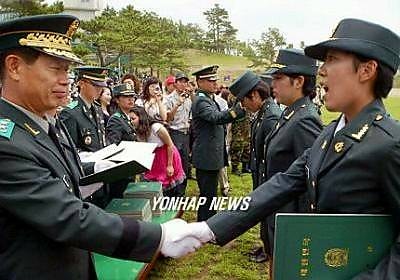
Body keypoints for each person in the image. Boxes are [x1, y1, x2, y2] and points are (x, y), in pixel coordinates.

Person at [186, 18, 400, 279]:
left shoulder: (390, 144)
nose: (321, 72)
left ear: (366, 70)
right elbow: (284, 182)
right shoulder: (330, 133)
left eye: (332, 60)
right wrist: (208, 229)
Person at [0, 14, 201, 279]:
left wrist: (100, 164)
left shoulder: (45, 122)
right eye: (56, 68)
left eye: (68, 70)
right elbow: (66, 215)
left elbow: (67, 177)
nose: (66, 80)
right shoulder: (6, 142)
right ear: (14, 67)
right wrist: (158, 237)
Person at [262, 48, 323, 258]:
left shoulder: (305, 118)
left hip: (290, 218)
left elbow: (311, 180)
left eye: (278, 78)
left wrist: (300, 229)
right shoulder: (291, 112)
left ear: (298, 82)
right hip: (277, 211)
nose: (272, 85)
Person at [229, 70, 281, 262]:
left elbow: (271, 154)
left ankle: (269, 250)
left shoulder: (271, 116)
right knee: (263, 213)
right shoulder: (263, 113)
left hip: (267, 176)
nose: (243, 105)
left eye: (244, 99)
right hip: (259, 173)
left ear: (256, 95)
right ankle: (265, 246)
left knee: (269, 214)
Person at [191, 65, 245, 221]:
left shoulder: (208, 99)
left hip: (211, 155)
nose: (215, 84)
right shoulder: (201, 101)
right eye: (210, 81)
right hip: (206, 155)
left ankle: (209, 222)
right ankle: (204, 223)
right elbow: (216, 117)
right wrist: (236, 111)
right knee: (207, 195)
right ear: (200, 82)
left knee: (211, 193)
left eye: (215, 80)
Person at [130, 106, 185, 196]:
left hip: (166, 157)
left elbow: (170, 144)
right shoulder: (138, 131)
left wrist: (170, 165)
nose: (131, 121)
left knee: (168, 188)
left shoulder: (156, 127)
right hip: (154, 160)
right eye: (130, 119)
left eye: (133, 119)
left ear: (141, 117)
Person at [60, 66, 109, 152]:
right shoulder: (70, 113)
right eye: (95, 85)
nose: (99, 89)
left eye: (101, 86)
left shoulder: (97, 109)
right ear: (82, 84)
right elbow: (69, 149)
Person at [163, 72, 192, 197]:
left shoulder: (188, 98)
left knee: (185, 165)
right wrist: (177, 105)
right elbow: (168, 118)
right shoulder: (169, 99)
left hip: (186, 134)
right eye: (181, 81)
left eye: (185, 81)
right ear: (175, 83)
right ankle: (172, 192)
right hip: (174, 133)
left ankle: (181, 193)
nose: (183, 84)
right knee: (174, 163)